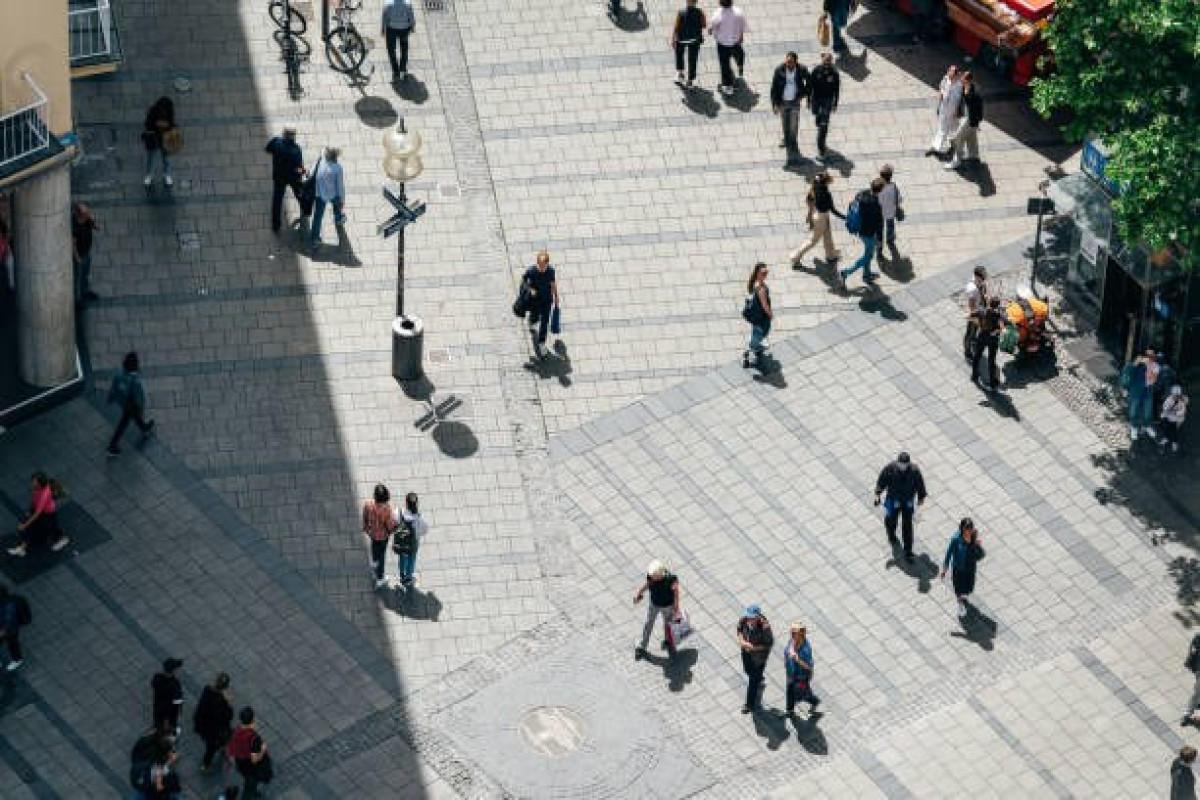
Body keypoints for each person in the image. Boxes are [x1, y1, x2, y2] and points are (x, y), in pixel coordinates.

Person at [874, 452, 927, 563]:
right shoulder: (890, 468)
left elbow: (920, 485)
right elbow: (882, 480)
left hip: (907, 501)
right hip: (893, 500)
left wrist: (921, 498)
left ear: (908, 463)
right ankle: (891, 535)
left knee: (907, 525)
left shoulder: (914, 471)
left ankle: (908, 551)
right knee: (890, 520)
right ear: (897, 462)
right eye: (901, 464)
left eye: (905, 464)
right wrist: (877, 494)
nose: (902, 466)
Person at [7, 471, 69, 556]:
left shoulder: (44, 494)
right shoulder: (37, 488)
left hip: (47, 514)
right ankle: (22, 548)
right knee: (47, 528)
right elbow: (34, 500)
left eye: (34, 482)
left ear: (40, 483)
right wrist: (30, 510)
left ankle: (62, 539)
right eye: (33, 481)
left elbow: (37, 513)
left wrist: (25, 525)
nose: (32, 483)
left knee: (41, 528)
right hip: (43, 511)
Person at [837, 178, 883, 291]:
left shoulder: (862, 193)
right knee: (869, 256)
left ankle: (867, 275)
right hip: (868, 234)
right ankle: (846, 272)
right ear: (880, 191)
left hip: (860, 230)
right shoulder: (876, 204)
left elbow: (853, 205)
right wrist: (880, 239)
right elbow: (879, 224)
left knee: (867, 253)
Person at [107, 351, 155, 457]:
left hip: (123, 402)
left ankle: (144, 428)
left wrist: (110, 398)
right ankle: (112, 446)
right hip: (132, 404)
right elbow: (138, 397)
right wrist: (141, 407)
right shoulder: (135, 380)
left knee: (133, 417)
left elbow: (114, 388)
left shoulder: (119, 374)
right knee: (124, 423)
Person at [790, 171, 844, 266]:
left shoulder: (816, 184)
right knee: (812, 241)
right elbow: (833, 210)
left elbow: (816, 178)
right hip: (821, 218)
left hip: (819, 214)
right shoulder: (827, 194)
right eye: (829, 180)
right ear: (826, 182)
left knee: (827, 235)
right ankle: (795, 257)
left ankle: (830, 256)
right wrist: (845, 217)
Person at [634, 560, 680, 659]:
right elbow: (647, 585)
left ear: (660, 574)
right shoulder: (652, 578)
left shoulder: (671, 579)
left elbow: (676, 592)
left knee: (668, 625)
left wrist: (676, 607)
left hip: (668, 606)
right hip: (654, 604)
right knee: (649, 623)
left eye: (654, 576)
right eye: (651, 576)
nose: (652, 578)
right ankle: (642, 646)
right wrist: (639, 593)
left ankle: (668, 642)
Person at [940, 518, 986, 618]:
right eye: (967, 530)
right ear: (962, 529)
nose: (969, 533)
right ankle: (960, 605)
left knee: (969, 587)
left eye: (970, 530)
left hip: (970, 567)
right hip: (958, 568)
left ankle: (963, 597)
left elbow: (982, 555)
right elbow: (949, 554)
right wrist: (944, 569)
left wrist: (978, 546)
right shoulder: (956, 539)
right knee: (958, 588)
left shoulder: (974, 538)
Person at [265, 127, 306, 233]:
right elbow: (299, 168)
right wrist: (303, 171)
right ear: (293, 136)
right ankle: (305, 209)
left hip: (279, 177)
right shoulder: (296, 149)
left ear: (284, 134)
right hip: (293, 178)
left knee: (277, 201)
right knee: (299, 194)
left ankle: (276, 225)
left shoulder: (276, 142)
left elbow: (268, 149)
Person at [770, 52, 810, 158]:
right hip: (782, 101)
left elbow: (809, 81)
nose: (788, 64)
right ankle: (785, 139)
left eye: (791, 62)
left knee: (794, 123)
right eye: (787, 61)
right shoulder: (779, 70)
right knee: (784, 122)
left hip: (795, 101)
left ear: (796, 62)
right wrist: (774, 104)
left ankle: (793, 141)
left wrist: (804, 94)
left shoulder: (802, 69)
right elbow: (773, 88)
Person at [228, 707, 273, 799]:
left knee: (248, 781)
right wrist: (263, 749)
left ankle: (251, 792)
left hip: (240, 763)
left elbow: (231, 749)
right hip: (252, 768)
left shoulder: (236, 731)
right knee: (250, 786)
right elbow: (255, 760)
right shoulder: (253, 738)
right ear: (253, 720)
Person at [193, 673, 234, 772]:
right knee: (211, 747)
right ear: (226, 687)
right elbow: (228, 716)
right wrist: (229, 703)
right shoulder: (221, 700)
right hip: (214, 730)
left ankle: (220, 749)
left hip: (203, 724)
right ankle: (205, 765)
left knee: (212, 745)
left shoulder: (207, 690)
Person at [523, 251, 560, 359]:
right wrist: (530, 289)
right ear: (537, 263)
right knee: (534, 316)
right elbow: (523, 281)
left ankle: (541, 343)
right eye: (541, 265)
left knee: (544, 321)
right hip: (535, 300)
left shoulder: (551, 271)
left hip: (547, 300)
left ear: (547, 264)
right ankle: (532, 321)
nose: (543, 268)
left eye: (545, 265)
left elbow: (553, 284)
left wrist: (556, 297)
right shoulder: (531, 271)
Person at [736, 605, 773, 713]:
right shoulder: (744, 620)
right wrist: (742, 641)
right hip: (746, 652)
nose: (749, 619)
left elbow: (768, 644)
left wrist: (754, 648)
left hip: (759, 657)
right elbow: (739, 631)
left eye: (752, 617)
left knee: (752, 680)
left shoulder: (765, 628)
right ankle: (759, 678)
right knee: (747, 670)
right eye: (748, 616)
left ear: (757, 617)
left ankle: (749, 704)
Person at [708, 0, 747, 97]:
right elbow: (742, 25)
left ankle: (728, 86)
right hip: (735, 42)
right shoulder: (738, 12)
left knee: (724, 65)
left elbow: (711, 27)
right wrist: (741, 36)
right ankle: (740, 64)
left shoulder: (718, 14)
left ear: (720, 3)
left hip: (723, 44)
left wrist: (710, 31)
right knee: (738, 53)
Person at [945, 71, 983, 170]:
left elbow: (977, 107)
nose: (961, 80)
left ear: (967, 80)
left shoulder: (973, 92)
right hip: (968, 118)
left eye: (963, 79)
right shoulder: (965, 88)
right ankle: (973, 155)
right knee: (971, 137)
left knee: (958, 138)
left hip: (970, 119)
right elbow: (963, 103)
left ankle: (957, 161)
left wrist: (976, 121)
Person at [310, 147, 346, 248]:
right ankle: (338, 219)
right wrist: (342, 200)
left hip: (319, 194)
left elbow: (311, 173)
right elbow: (340, 186)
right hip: (332, 194)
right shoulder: (337, 168)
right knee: (337, 204)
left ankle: (314, 239)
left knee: (318, 217)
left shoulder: (320, 161)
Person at [363, 483, 396, 589]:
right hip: (383, 536)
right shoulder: (386, 509)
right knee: (382, 554)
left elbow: (365, 517)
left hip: (372, 532)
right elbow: (390, 525)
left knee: (374, 546)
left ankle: (374, 561)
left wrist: (366, 528)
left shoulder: (368, 504)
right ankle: (380, 579)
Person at [783, 623, 820, 717]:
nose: (791, 634)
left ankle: (814, 700)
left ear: (801, 634)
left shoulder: (805, 650)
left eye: (794, 632)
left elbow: (809, 666)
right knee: (790, 690)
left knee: (801, 693)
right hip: (791, 672)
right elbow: (789, 648)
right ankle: (790, 710)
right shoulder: (793, 640)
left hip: (801, 676)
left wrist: (797, 659)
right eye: (791, 631)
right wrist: (791, 651)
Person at [809, 52, 840, 158]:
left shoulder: (834, 73)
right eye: (825, 61)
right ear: (822, 60)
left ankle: (821, 147)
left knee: (824, 125)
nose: (827, 63)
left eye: (829, 61)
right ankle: (819, 119)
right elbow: (810, 85)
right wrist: (809, 99)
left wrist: (835, 103)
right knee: (816, 114)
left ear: (831, 62)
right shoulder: (816, 70)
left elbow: (837, 89)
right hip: (816, 99)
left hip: (827, 99)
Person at [742, 262, 773, 369]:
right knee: (760, 334)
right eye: (763, 273)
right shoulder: (761, 289)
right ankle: (750, 353)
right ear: (758, 274)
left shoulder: (754, 284)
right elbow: (765, 306)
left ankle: (754, 347)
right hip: (761, 318)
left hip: (755, 316)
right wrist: (770, 314)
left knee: (756, 332)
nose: (766, 274)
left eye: (766, 272)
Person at [927, 66, 962, 157]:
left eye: (951, 74)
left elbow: (961, 99)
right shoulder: (945, 79)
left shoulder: (959, 84)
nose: (949, 74)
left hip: (953, 111)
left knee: (954, 129)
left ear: (955, 75)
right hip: (944, 108)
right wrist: (939, 102)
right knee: (942, 128)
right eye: (949, 72)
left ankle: (954, 145)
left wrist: (957, 111)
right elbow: (941, 89)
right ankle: (935, 147)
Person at [1124, 349, 1159, 440]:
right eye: (1148, 356)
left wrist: (1149, 367)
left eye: (1152, 356)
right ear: (1144, 356)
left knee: (1148, 409)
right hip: (1136, 390)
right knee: (1134, 409)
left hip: (1148, 390)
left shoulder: (1155, 366)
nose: (1150, 358)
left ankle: (1146, 425)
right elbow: (1128, 372)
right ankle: (1133, 427)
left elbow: (1152, 380)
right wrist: (1136, 363)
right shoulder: (1138, 364)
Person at [142, 96, 176, 189]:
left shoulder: (170, 112)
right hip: (154, 137)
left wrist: (167, 126)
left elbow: (172, 124)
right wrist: (156, 124)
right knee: (151, 158)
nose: (163, 111)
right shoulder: (153, 111)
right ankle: (149, 175)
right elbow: (147, 124)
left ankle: (167, 175)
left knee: (166, 159)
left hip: (165, 138)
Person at [671, 0, 706, 88]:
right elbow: (704, 25)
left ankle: (680, 74)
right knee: (693, 60)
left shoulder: (681, 12)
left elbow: (676, 27)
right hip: (694, 40)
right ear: (696, 2)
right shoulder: (700, 12)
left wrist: (673, 39)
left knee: (679, 55)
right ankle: (690, 81)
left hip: (681, 39)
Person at [395, 492, 427, 587]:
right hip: (413, 544)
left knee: (402, 558)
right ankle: (408, 577)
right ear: (416, 504)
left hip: (401, 543)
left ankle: (401, 574)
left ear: (406, 503)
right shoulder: (418, 519)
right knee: (411, 560)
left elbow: (393, 523)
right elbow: (424, 530)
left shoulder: (398, 512)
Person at [971, 296, 1004, 390]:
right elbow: (1001, 328)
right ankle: (992, 382)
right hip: (992, 339)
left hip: (982, 336)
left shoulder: (981, 311)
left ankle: (974, 375)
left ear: (989, 303)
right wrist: (995, 332)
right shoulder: (998, 314)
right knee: (991, 360)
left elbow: (969, 316)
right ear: (997, 306)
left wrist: (980, 325)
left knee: (977, 355)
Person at [381, 0, 416, 81]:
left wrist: (383, 29)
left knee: (391, 50)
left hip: (391, 29)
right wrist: (412, 27)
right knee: (404, 49)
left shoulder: (388, 3)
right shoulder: (408, 3)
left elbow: (384, 17)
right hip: (404, 29)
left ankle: (395, 69)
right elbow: (411, 17)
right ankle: (403, 68)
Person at [72, 202, 99, 302]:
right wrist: (77, 258)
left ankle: (85, 291)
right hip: (79, 255)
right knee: (77, 277)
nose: (88, 213)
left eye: (88, 212)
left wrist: (92, 219)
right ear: (79, 214)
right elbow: (73, 244)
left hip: (87, 252)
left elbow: (98, 227)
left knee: (86, 274)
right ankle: (77, 298)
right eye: (86, 213)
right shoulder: (74, 226)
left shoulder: (87, 220)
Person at [152, 658, 185, 736]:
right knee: (166, 729)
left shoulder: (157, 677)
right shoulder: (174, 686)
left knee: (158, 720)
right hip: (169, 714)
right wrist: (180, 709)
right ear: (173, 670)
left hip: (157, 708)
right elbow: (176, 702)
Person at [963, 266, 989, 360]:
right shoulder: (972, 289)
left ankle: (974, 339)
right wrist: (975, 318)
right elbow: (971, 305)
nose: (986, 276)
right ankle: (967, 351)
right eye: (984, 275)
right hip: (974, 313)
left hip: (980, 308)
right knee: (970, 332)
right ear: (977, 276)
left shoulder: (980, 282)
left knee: (975, 330)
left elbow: (983, 290)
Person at [876, 165, 902, 256]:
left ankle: (879, 248)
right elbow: (899, 200)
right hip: (890, 212)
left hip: (879, 213)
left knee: (879, 230)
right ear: (890, 176)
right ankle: (890, 240)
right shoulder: (894, 187)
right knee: (890, 226)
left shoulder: (877, 186)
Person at [0, 586, 27, 671]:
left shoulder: (8, 606)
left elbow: (9, 622)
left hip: (9, 630)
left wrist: (2, 632)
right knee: (12, 644)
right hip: (6, 629)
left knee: (12, 644)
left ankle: (17, 660)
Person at [1161, 385, 1188, 453]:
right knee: (1166, 428)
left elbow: (1182, 411)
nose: (1175, 396)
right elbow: (1164, 407)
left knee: (1173, 430)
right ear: (1171, 394)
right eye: (1174, 394)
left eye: (1177, 395)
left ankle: (1174, 442)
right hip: (1168, 417)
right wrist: (1167, 410)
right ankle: (1166, 437)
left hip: (1177, 419)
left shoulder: (1182, 402)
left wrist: (1175, 412)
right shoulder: (1168, 399)